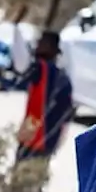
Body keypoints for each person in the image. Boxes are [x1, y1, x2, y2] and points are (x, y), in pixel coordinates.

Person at [13, 29, 74, 162]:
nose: (37, 45)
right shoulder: (64, 78)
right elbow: (67, 116)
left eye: (42, 42)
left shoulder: (40, 68)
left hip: (31, 138)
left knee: (20, 178)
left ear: (51, 48)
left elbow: (21, 64)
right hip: (49, 141)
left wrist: (16, 29)